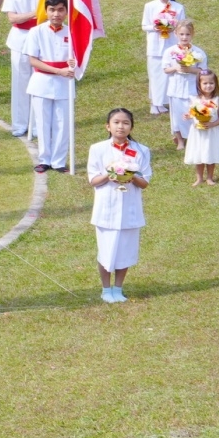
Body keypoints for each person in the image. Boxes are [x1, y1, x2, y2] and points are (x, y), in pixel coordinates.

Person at [88, 108, 150, 302]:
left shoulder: (142, 150)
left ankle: (118, 288)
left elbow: (145, 181)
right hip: (106, 206)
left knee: (125, 250)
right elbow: (93, 179)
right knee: (106, 249)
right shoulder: (98, 149)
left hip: (130, 207)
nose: (120, 126)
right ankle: (106, 289)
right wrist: (111, 173)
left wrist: (130, 176)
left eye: (125, 123)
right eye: (116, 122)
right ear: (108, 126)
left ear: (131, 126)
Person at [25, 0, 77, 173]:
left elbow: (79, 58)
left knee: (63, 123)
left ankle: (59, 161)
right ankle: (44, 159)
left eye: (61, 10)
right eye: (52, 10)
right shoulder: (36, 31)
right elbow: (33, 60)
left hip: (64, 83)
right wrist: (58, 71)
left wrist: (73, 64)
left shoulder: (72, 32)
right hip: (42, 82)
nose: (56, 14)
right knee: (43, 122)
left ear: (66, 11)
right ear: (46, 11)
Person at [2, 0, 45, 138]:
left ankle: (36, 124)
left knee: (38, 81)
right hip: (20, 38)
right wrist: (34, 14)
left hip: (41, 38)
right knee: (20, 83)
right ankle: (19, 124)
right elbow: (12, 17)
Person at [161, 18, 209, 150]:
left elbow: (203, 71)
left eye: (187, 34)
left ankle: (195, 137)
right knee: (176, 116)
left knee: (193, 113)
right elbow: (165, 69)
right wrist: (176, 68)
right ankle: (180, 139)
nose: (184, 37)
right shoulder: (170, 51)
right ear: (176, 34)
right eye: (181, 34)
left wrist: (191, 70)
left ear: (192, 35)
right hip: (175, 89)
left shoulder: (198, 52)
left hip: (192, 89)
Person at [140, 0, 184, 117]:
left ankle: (164, 101)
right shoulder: (150, 6)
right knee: (155, 74)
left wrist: (172, 28)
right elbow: (144, 26)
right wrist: (156, 27)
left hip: (170, 45)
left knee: (168, 74)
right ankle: (155, 103)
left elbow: (182, 26)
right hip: (154, 46)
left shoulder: (178, 8)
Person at [183, 69, 219, 186]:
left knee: (210, 153)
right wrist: (188, 115)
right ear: (199, 84)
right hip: (198, 131)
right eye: (205, 83)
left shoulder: (218, 101)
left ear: (215, 84)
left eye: (211, 83)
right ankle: (199, 178)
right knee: (199, 153)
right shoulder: (195, 100)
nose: (208, 86)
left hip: (212, 131)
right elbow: (192, 113)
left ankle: (209, 177)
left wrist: (213, 124)